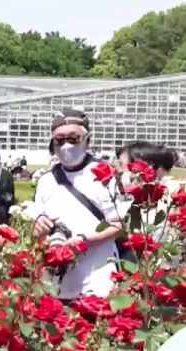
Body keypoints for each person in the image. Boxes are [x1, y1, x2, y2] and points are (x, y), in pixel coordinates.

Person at [28, 108, 123, 301]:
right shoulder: (46, 180)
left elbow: (119, 225)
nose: (66, 145)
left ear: (87, 139)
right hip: (58, 281)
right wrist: (39, 228)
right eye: (59, 140)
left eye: (73, 138)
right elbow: (37, 230)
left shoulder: (104, 174)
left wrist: (85, 241)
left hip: (98, 275)